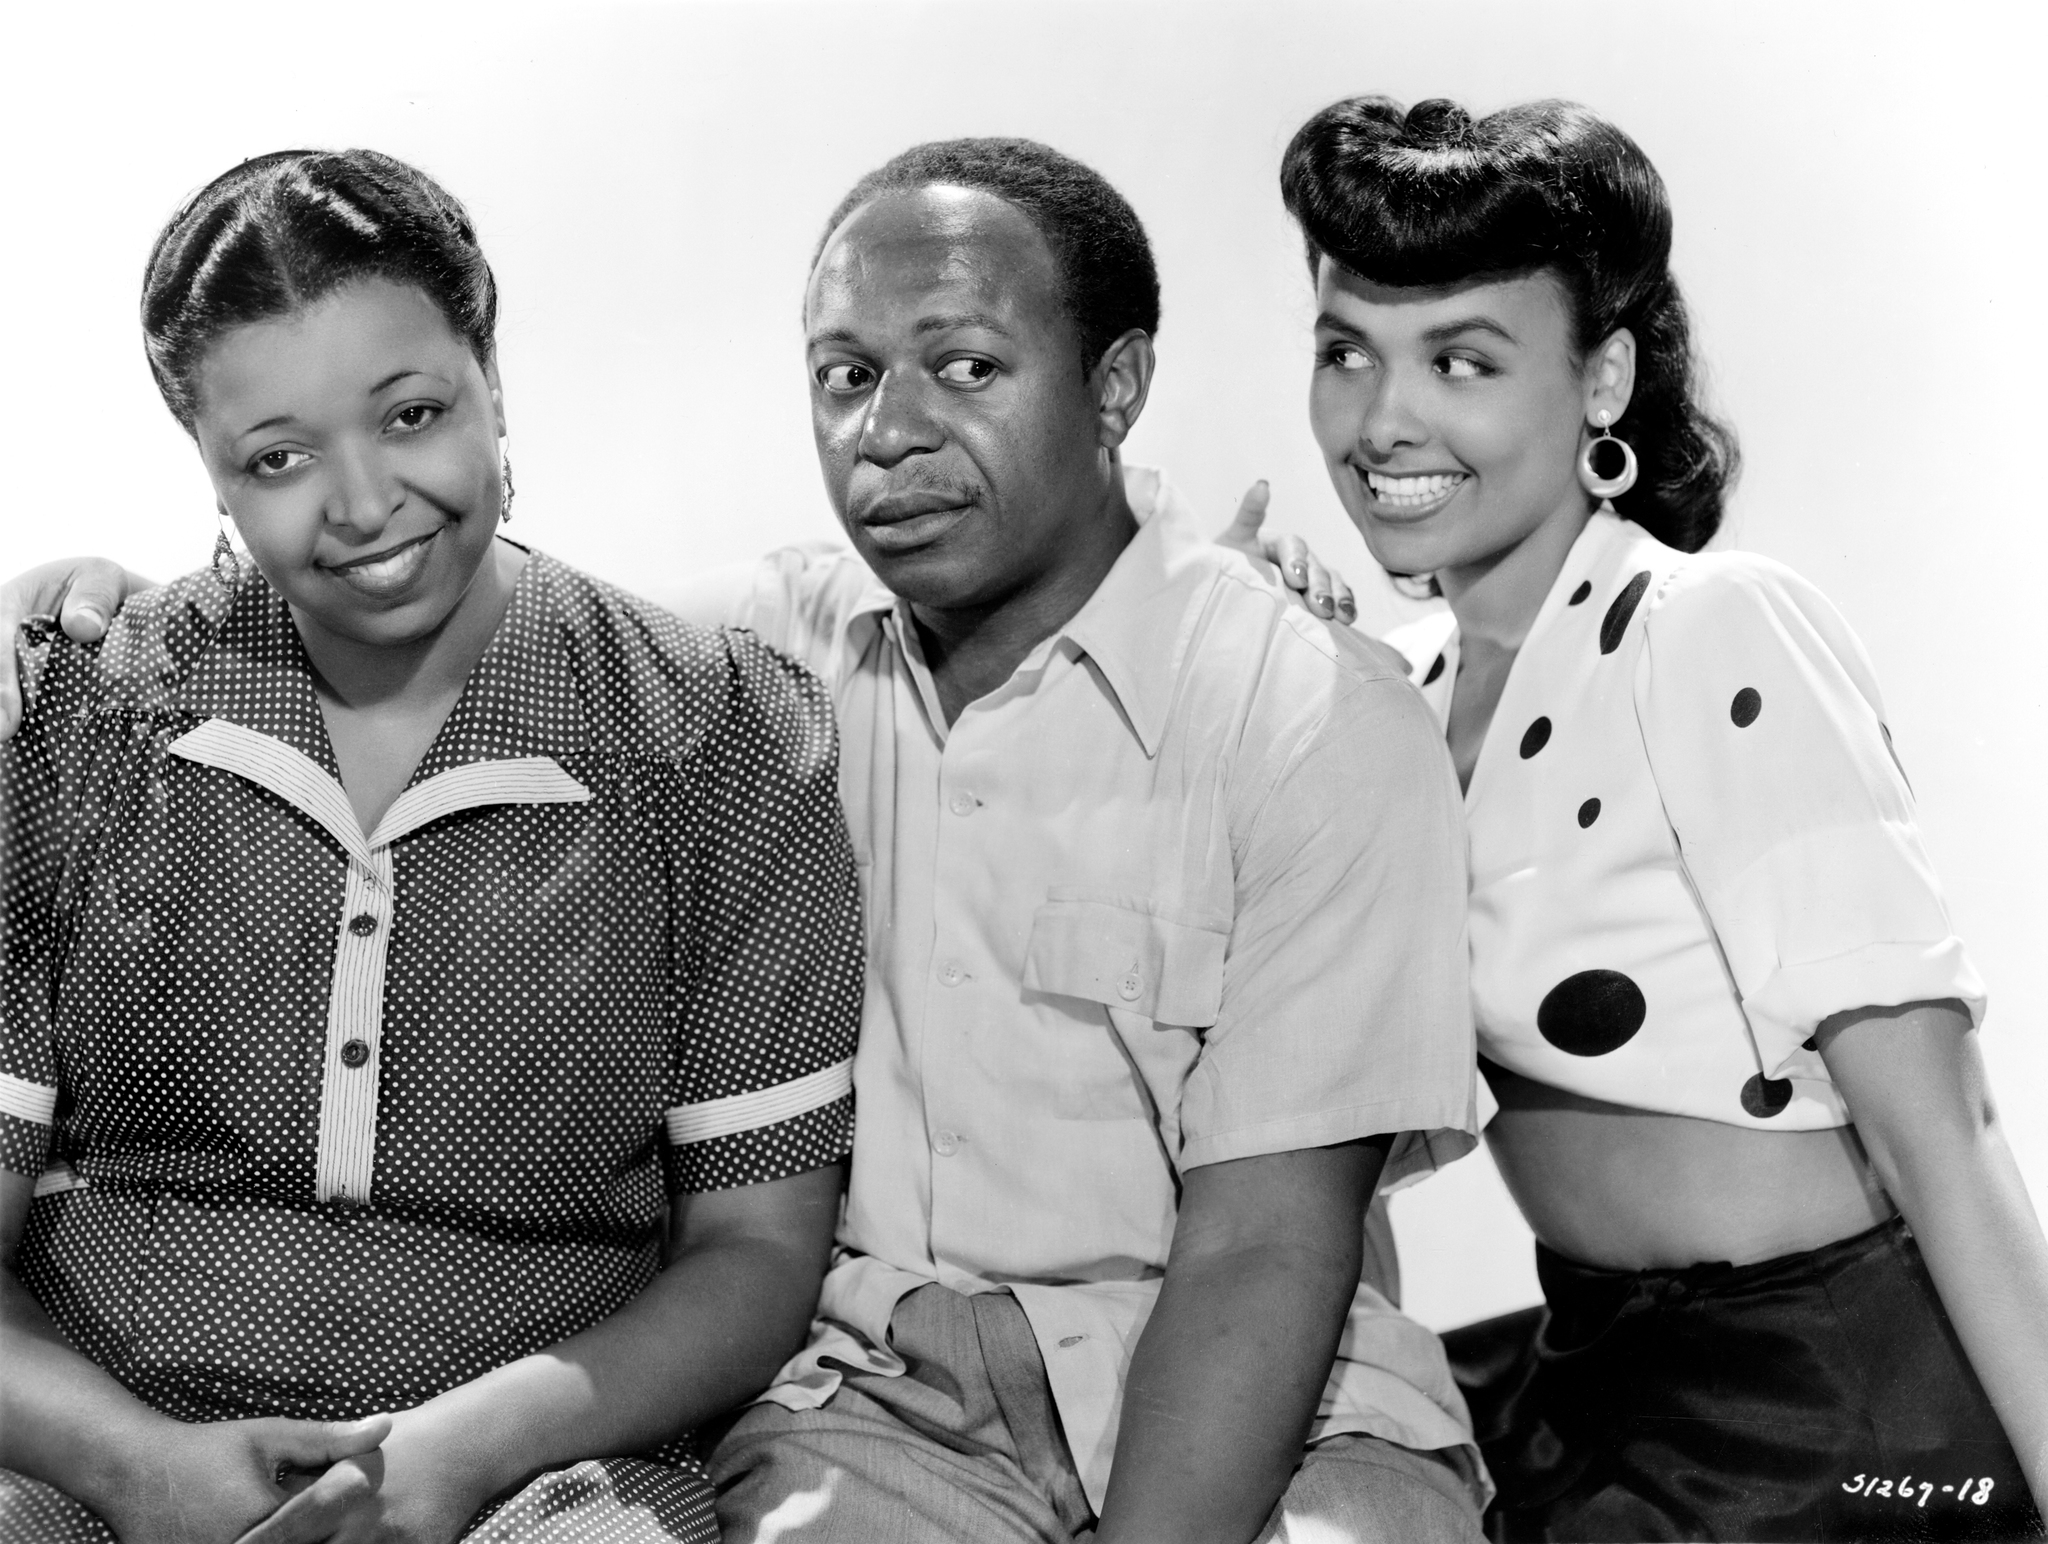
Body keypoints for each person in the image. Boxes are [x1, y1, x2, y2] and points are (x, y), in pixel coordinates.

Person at [0, 137, 1490, 1543]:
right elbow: (414, 594)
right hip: (876, 1399)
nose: (891, 432)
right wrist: (101, 617)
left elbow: (1261, 1253)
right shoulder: (765, 657)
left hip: (1259, 1392)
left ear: (1118, 386)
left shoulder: (1289, 711)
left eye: (966, 367)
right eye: (847, 376)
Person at [0, 149, 864, 1543]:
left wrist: (453, 1458)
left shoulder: (716, 734)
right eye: (277, 458)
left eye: (410, 414)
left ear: (494, 382)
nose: (362, 504)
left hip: (544, 1470)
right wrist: (138, 1470)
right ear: (210, 474)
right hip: (94, 1449)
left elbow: (756, 1250)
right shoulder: (82, 721)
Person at [1264, 94, 2048, 1542]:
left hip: (1823, 1399)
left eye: (1463, 360)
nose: (1385, 421)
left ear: (1604, 378)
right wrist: (1248, 697)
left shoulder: (1710, 631)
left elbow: (1945, 1129)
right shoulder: (1393, 697)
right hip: (1585, 1365)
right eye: (1345, 354)